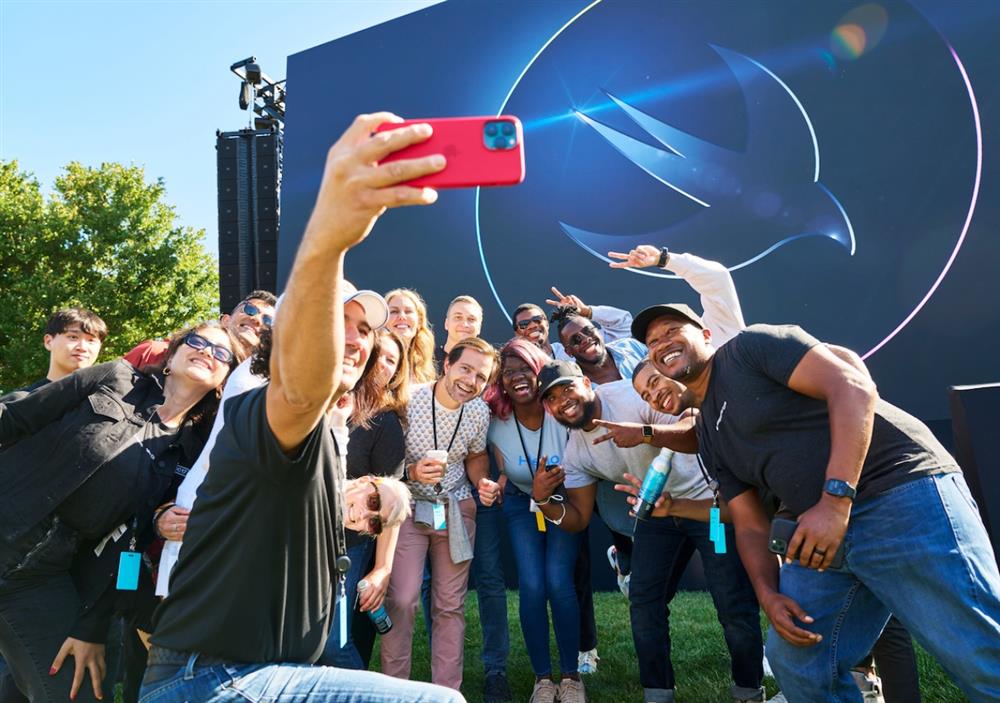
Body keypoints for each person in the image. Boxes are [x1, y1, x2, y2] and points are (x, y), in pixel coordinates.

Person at [143, 112, 462, 703]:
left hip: (268, 668)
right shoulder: (265, 401)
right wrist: (330, 235)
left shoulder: (334, 434)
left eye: (364, 329)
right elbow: (299, 388)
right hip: (214, 677)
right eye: (338, 322)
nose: (355, 339)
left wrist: (374, 503)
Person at [631, 303, 1000, 701]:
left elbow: (852, 386)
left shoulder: (750, 347)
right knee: (798, 662)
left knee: (978, 652)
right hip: (818, 534)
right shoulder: (709, 434)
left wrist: (836, 500)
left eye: (671, 330)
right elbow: (749, 522)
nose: (662, 343)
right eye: (652, 342)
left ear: (705, 334)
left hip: (896, 491)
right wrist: (767, 595)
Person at [0, 320, 238, 703]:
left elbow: (132, 544)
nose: (206, 352)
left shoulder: (192, 453)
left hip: (38, 574)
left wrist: (92, 625)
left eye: (221, 353)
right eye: (197, 341)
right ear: (172, 355)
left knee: (73, 691)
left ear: (224, 379)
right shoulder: (116, 377)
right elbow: (14, 417)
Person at [534, 359, 765, 703]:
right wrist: (543, 500)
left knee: (732, 600)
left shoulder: (632, 397)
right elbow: (578, 518)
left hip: (709, 507)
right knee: (644, 602)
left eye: (567, 388)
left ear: (587, 383)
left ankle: (748, 690)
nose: (562, 401)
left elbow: (695, 429)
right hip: (657, 515)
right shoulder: (576, 451)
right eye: (552, 398)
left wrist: (643, 432)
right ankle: (658, 693)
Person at [381, 336, 500, 691]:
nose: (471, 381)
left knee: (450, 606)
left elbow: (476, 456)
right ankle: (393, 692)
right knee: (402, 599)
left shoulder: (478, 411)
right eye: (466, 369)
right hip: (407, 507)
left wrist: (482, 482)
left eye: (481, 377)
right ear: (447, 364)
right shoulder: (409, 398)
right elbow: (384, 461)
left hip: (455, 508)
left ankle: (447, 693)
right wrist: (412, 472)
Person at [484, 339, 586, 703]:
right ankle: (543, 680)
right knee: (531, 585)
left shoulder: (559, 410)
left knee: (558, 581)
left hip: (563, 500)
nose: (517, 377)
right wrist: (497, 482)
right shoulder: (495, 418)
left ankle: (571, 678)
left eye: (525, 368)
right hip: (520, 503)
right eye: (508, 372)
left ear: (539, 369)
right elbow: (501, 468)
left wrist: (547, 493)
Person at [319, 328, 410, 670]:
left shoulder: (386, 423)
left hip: (347, 545)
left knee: (334, 642)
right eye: (379, 354)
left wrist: (382, 567)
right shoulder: (324, 396)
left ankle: (363, 689)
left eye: (392, 361)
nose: (383, 364)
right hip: (298, 535)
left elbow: (388, 505)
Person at [124, 290, 276, 368]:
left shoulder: (255, 388)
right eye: (250, 310)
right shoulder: (154, 353)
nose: (257, 320)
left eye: (268, 321)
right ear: (225, 320)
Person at [510, 287, 633, 362]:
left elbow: (624, 325)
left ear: (546, 323)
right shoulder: (519, 367)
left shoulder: (576, 346)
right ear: (517, 333)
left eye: (537, 319)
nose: (532, 326)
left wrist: (586, 311)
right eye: (524, 324)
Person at [385, 288, 438, 383]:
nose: (402, 316)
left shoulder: (425, 365)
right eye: (394, 311)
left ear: (419, 321)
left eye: (408, 311)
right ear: (384, 320)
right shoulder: (373, 360)